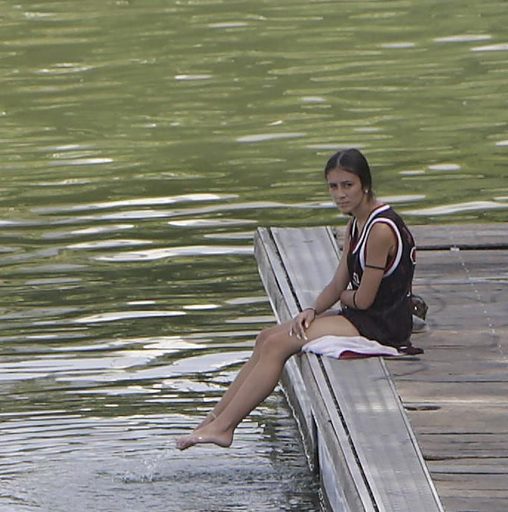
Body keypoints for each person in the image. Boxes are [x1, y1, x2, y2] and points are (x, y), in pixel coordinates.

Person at [176, 148, 416, 450]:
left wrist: (343, 297)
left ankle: (225, 428)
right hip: (359, 315)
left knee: (279, 345)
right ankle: (212, 421)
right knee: (266, 337)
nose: (340, 194)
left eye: (348, 185)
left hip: (383, 324)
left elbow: (364, 299)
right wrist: (312, 310)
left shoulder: (380, 229)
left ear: (365, 185)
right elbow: (338, 281)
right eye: (333, 187)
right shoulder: (355, 222)